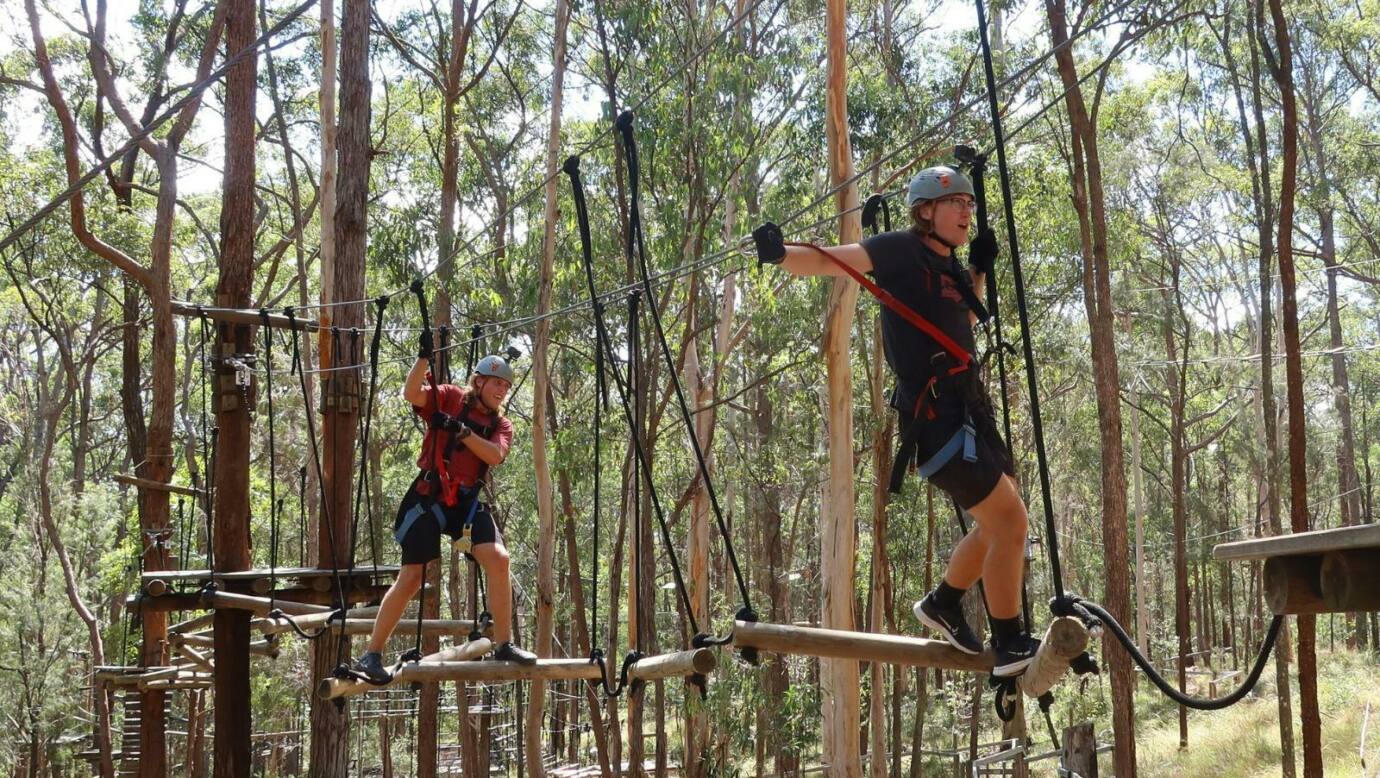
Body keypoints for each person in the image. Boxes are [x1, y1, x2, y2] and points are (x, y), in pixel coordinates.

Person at [752, 165, 1039, 677]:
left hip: (971, 404)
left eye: (970, 205)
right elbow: (829, 262)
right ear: (926, 209)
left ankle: (944, 603)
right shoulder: (898, 250)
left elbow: (961, 320)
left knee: (1001, 521)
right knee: (1010, 522)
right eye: (958, 204)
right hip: (937, 417)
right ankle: (1011, 642)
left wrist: (979, 271)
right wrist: (778, 254)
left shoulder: (949, 264)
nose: (967, 213)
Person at [353, 338, 537, 683]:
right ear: (479, 381)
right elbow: (412, 393)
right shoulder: (451, 397)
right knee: (412, 577)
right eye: (497, 383)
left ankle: (503, 644)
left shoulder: (502, 425)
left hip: (465, 504)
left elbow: (494, 456)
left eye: (507, 386)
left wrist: (462, 431)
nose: (502, 391)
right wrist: (423, 358)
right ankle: (372, 653)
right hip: (429, 495)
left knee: (499, 559)